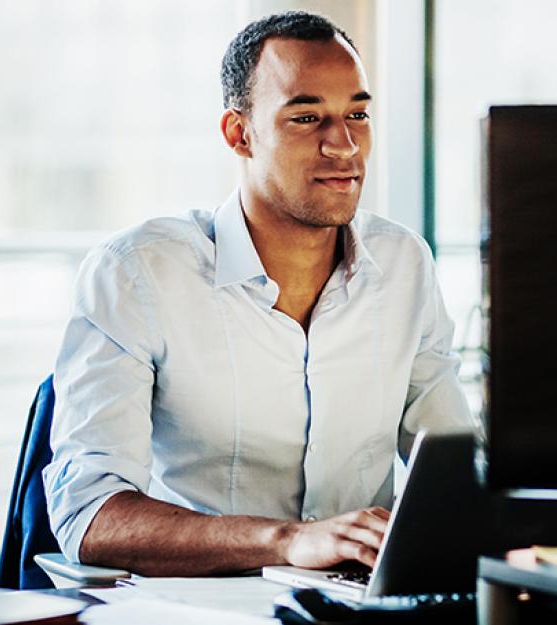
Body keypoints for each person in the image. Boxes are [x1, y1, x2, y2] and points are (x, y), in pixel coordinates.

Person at [43, 10, 472, 577]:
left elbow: (456, 469)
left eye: (358, 114)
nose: (343, 144)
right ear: (240, 133)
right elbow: (90, 516)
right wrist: (288, 541)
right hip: (205, 606)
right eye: (306, 117)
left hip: (364, 601)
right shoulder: (138, 273)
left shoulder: (403, 264)